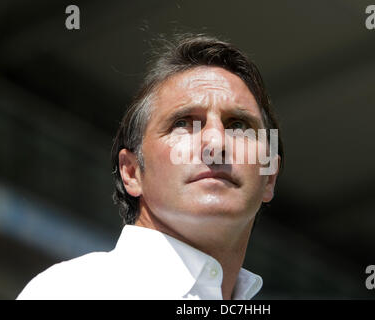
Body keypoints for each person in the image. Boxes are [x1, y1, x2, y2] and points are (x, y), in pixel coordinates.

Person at [17, 33, 284, 300]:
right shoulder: (75, 290)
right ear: (132, 172)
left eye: (238, 126)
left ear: (269, 176)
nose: (216, 143)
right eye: (183, 123)